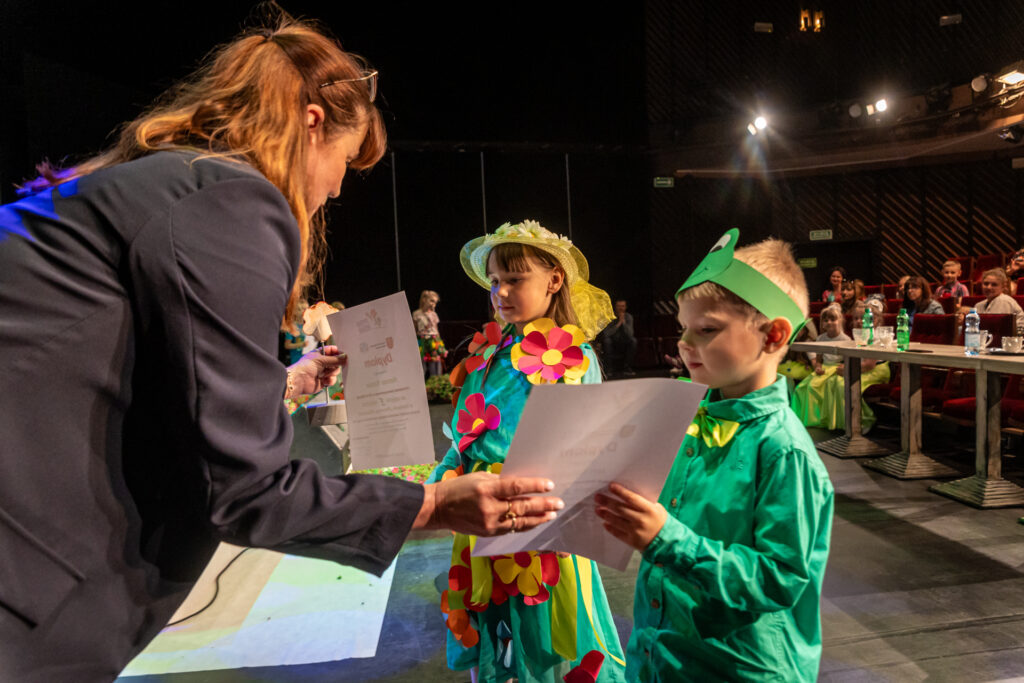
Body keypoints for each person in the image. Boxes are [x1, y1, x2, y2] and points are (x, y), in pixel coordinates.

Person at [0, 15, 565, 681]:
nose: (333, 191)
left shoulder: (164, 182)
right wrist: (433, 505)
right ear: (313, 122)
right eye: (343, 164)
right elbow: (246, 489)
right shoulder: (234, 201)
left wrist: (287, 383)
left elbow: (143, 377)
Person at [593, 229, 834, 682]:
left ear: (774, 334)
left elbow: (779, 578)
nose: (685, 342)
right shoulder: (687, 416)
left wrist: (666, 538)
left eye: (706, 330)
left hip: (739, 667)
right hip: (665, 654)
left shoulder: (783, 450)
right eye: (682, 327)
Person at [427, 219, 624, 683]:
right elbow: (462, 441)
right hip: (480, 519)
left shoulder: (574, 357)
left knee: (546, 642)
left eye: (515, 279)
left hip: (541, 523)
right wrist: (436, 487)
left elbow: (588, 450)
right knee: (494, 641)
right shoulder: (484, 356)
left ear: (555, 280)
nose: (501, 292)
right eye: (495, 281)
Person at [792, 299, 889, 433]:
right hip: (860, 368)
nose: (859, 321)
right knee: (833, 381)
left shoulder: (874, 337)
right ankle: (841, 422)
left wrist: (848, 370)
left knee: (843, 385)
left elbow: (869, 365)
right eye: (856, 318)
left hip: (875, 370)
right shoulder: (859, 336)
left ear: (875, 320)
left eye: (863, 318)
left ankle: (860, 422)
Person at [412, 289, 448, 377]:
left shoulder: (434, 315)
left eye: (435, 302)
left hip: (433, 339)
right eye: (431, 301)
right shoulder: (417, 314)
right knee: (422, 364)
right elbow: (414, 329)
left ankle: (436, 381)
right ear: (424, 299)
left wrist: (440, 345)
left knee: (435, 364)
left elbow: (436, 329)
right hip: (422, 340)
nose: (433, 304)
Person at [602, 298, 638, 376]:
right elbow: (606, 334)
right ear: (615, 307)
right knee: (606, 341)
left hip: (624, 342)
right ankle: (608, 369)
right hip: (612, 341)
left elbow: (630, 334)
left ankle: (627, 368)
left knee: (633, 341)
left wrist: (624, 323)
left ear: (625, 307)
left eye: (623, 306)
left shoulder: (628, 317)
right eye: (618, 306)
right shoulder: (610, 317)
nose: (621, 308)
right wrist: (618, 324)